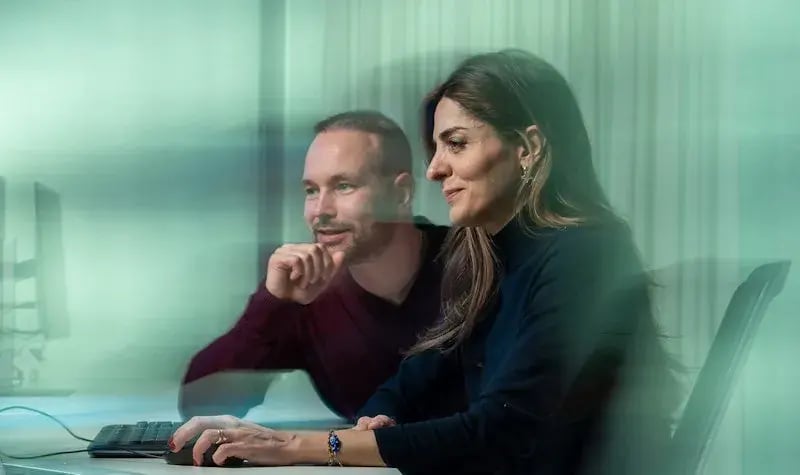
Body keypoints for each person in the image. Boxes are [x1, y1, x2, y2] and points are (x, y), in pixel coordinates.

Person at [170, 50, 680, 474]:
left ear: (527, 148)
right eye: (310, 190)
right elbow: (412, 380)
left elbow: (504, 428)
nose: (435, 169)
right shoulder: (490, 253)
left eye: (456, 144)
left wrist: (300, 446)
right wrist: (376, 416)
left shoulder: (585, 255)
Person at [179, 110, 449, 422]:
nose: (320, 211)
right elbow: (200, 407)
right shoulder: (308, 291)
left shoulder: (475, 262)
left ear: (401, 193)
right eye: (311, 190)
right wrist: (273, 305)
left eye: (343, 186)